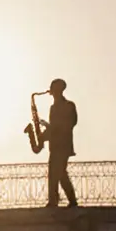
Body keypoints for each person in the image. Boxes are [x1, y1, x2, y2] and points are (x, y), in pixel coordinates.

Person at [42, 78, 78, 208]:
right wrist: (44, 134)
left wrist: (49, 128)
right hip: (56, 145)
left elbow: (71, 123)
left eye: (53, 88)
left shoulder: (69, 105)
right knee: (60, 173)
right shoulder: (53, 107)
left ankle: (54, 202)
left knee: (55, 173)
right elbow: (54, 128)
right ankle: (70, 201)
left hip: (63, 145)